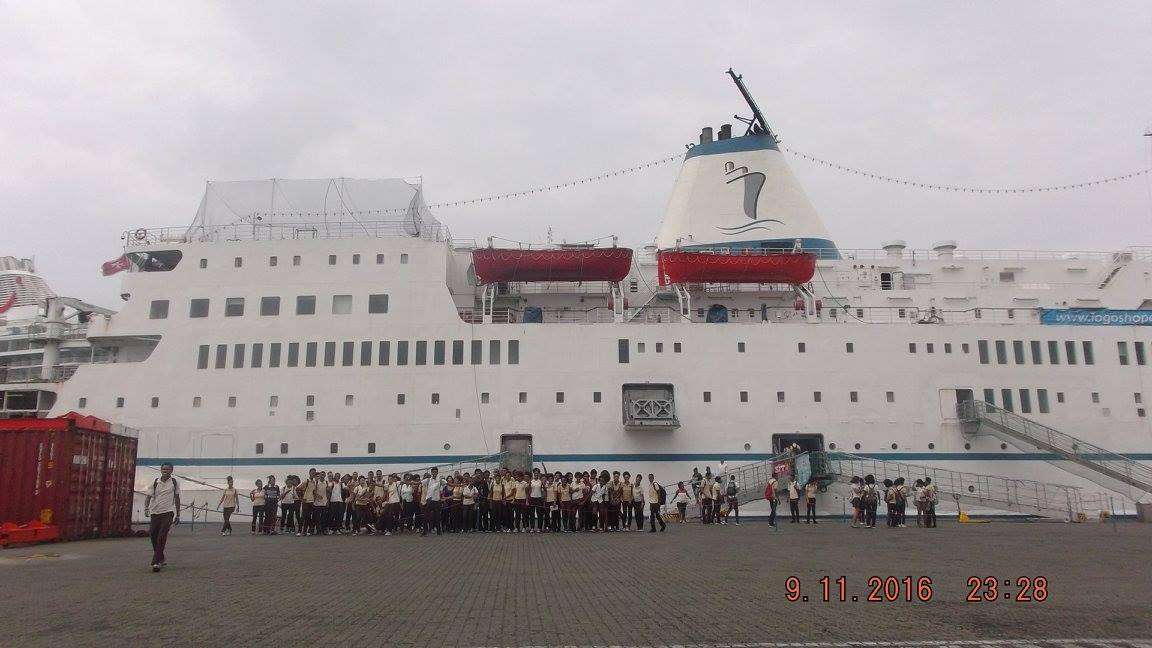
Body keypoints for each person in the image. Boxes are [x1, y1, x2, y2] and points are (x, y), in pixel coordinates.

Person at [143, 462, 181, 572]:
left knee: (162, 536)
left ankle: (156, 562)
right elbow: (148, 496)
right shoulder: (155, 482)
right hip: (155, 512)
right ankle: (161, 557)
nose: (165, 470)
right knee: (153, 535)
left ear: (172, 471)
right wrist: (146, 508)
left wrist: (178, 514)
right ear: (160, 470)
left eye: (168, 469)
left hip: (168, 512)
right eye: (163, 469)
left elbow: (177, 498)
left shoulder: (174, 482)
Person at [422, 467, 444, 536]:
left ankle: (439, 531)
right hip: (430, 501)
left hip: (437, 501)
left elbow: (449, 484)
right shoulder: (428, 480)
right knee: (426, 517)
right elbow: (419, 482)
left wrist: (460, 485)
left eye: (435, 472)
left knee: (437, 517)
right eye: (433, 472)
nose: (434, 473)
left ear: (437, 473)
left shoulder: (440, 480)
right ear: (431, 473)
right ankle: (424, 532)